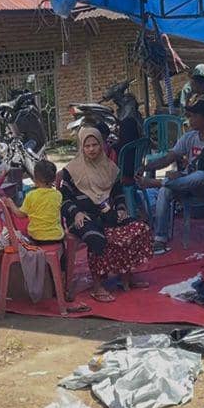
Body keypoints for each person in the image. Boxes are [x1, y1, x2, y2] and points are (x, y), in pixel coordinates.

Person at [60, 127, 153, 302]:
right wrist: (77, 212)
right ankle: (97, 286)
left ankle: (126, 275)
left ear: (102, 145)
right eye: (87, 146)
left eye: (95, 144)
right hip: (84, 217)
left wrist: (121, 209)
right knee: (96, 238)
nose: (91, 149)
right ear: (81, 147)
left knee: (138, 228)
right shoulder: (71, 170)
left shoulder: (110, 168)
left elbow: (118, 193)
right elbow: (63, 199)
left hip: (108, 214)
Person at [137, 98, 204, 255]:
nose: (191, 119)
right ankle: (160, 238)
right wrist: (146, 167)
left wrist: (182, 175)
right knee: (165, 191)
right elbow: (169, 158)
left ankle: (159, 182)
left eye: (195, 116)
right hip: (184, 183)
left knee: (200, 175)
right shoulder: (190, 137)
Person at [0, 160, 63, 244]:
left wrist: (11, 204)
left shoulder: (31, 195)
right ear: (54, 178)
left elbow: (20, 214)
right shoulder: (58, 195)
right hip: (56, 237)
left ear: (35, 179)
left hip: (36, 237)